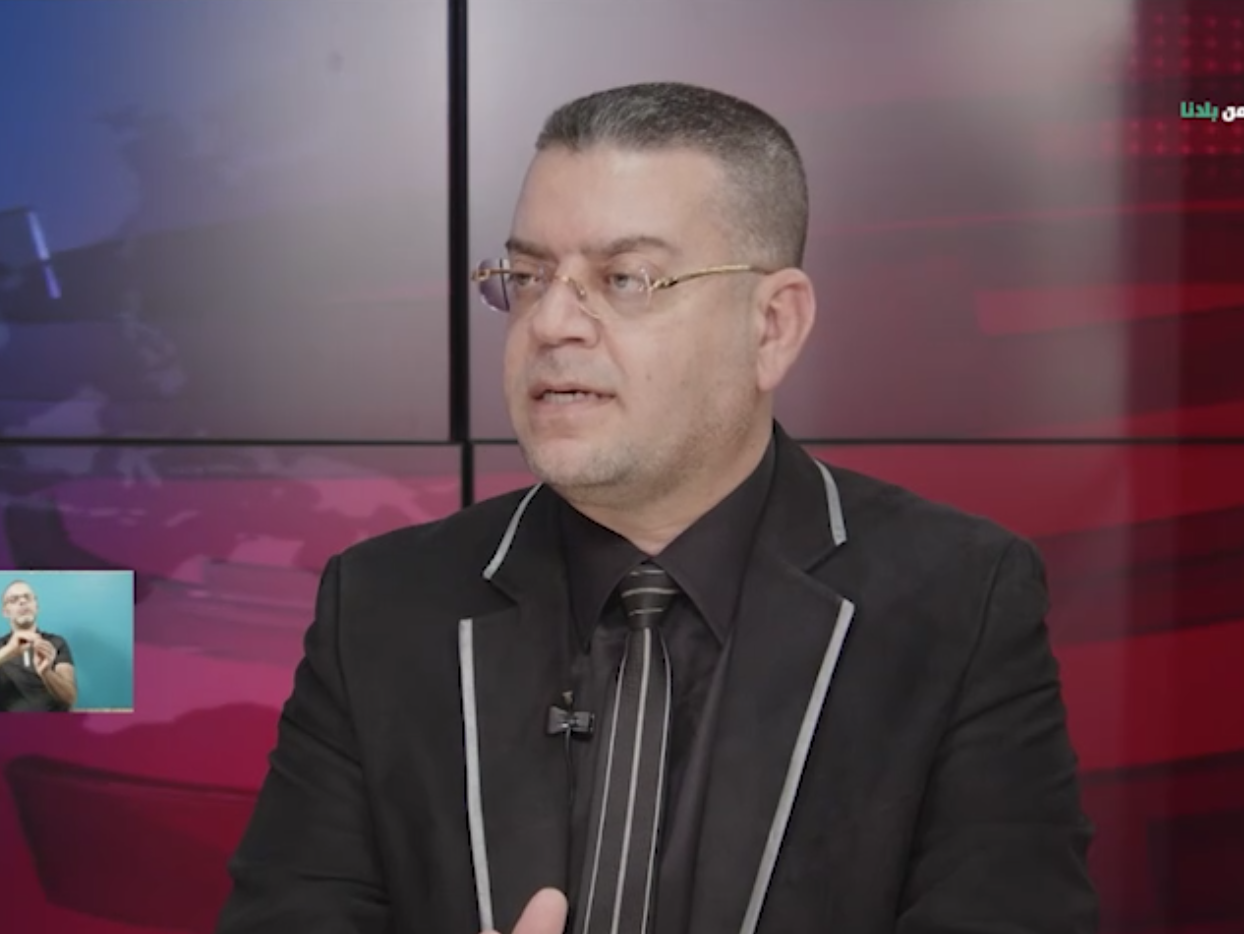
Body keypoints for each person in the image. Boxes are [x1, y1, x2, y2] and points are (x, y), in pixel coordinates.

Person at [219, 82, 1096, 934]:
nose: (551, 323)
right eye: (527, 275)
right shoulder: (383, 605)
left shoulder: (957, 601)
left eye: (625, 278)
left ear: (771, 325)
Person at [0, 579, 78, 712]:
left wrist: (46, 673)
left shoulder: (56, 643)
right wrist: (9, 651)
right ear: (5, 612)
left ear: (36, 606)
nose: (22, 602)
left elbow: (70, 697)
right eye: (13, 600)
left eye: (27, 597)